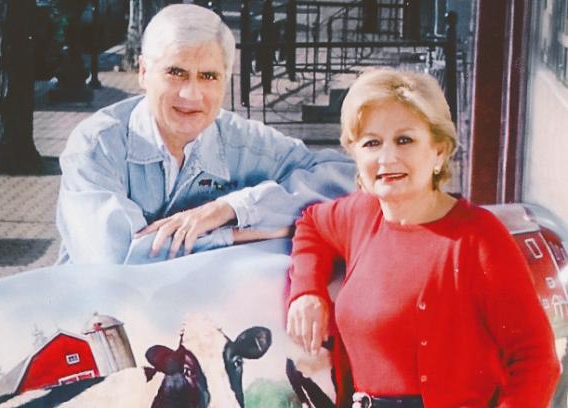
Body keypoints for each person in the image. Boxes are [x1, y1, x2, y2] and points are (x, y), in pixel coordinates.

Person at [282, 68, 560, 408]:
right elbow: (312, 225)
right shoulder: (359, 217)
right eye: (372, 143)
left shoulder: (479, 239)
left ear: (439, 151)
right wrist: (307, 289)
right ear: (355, 157)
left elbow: (536, 359)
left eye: (405, 140)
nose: (387, 158)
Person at [55, 4, 355, 265]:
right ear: (143, 72)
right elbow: (119, 259)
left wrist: (232, 208)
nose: (191, 94)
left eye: (208, 76)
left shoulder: (245, 141)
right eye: (176, 72)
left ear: (226, 80)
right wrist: (234, 235)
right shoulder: (97, 145)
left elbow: (349, 179)